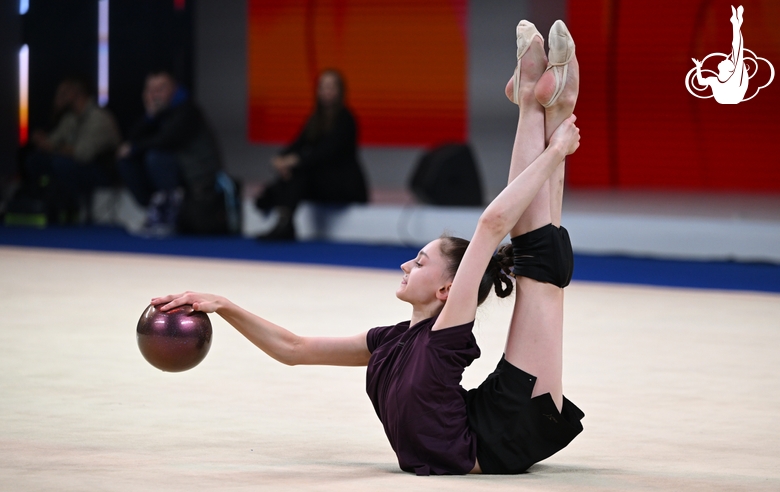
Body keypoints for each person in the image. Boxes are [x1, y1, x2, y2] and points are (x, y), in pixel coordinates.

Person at [153, 19, 582, 475]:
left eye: (419, 262)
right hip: (501, 423)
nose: (405, 265)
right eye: (416, 259)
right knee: (539, 267)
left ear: (447, 291)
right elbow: (294, 348)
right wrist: (222, 305)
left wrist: (557, 153)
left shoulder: (447, 333)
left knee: (538, 269)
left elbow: (493, 223)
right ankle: (542, 103)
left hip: (505, 431)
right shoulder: (391, 341)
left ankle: (538, 102)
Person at [254, 69, 368, 241]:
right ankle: (282, 217)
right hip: (321, 181)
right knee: (296, 174)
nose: (326, 91)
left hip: (344, 185)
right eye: (323, 87)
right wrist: (281, 159)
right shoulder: (315, 119)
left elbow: (325, 153)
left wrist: (295, 162)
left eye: (331, 87)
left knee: (299, 173)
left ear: (340, 91)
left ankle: (282, 217)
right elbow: (297, 144)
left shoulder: (346, 120)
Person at [118, 70, 223, 236]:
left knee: (156, 157)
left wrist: (135, 147)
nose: (155, 95)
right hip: (174, 169)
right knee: (127, 160)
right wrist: (149, 116)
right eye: (150, 90)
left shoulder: (187, 109)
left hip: (197, 173)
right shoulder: (158, 112)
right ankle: (153, 208)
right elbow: (132, 139)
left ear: (174, 89)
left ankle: (168, 213)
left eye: (160, 89)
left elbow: (167, 140)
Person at [23, 75, 121, 222]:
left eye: (64, 93)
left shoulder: (99, 117)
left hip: (101, 169)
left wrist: (54, 148)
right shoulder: (71, 118)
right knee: (35, 160)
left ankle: (74, 209)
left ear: (76, 93)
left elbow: (83, 154)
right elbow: (51, 142)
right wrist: (44, 139)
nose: (60, 96)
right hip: (75, 163)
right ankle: (38, 203)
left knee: (61, 164)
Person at [692, 5, 748, 104]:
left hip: (733, 96)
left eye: (727, 61)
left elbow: (737, 49)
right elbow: (700, 82)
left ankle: (736, 23)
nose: (725, 59)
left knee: (737, 50)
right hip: (729, 97)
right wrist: (698, 67)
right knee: (737, 51)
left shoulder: (732, 78)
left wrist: (698, 67)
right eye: (729, 60)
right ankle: (736, 23)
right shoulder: (715, 80)